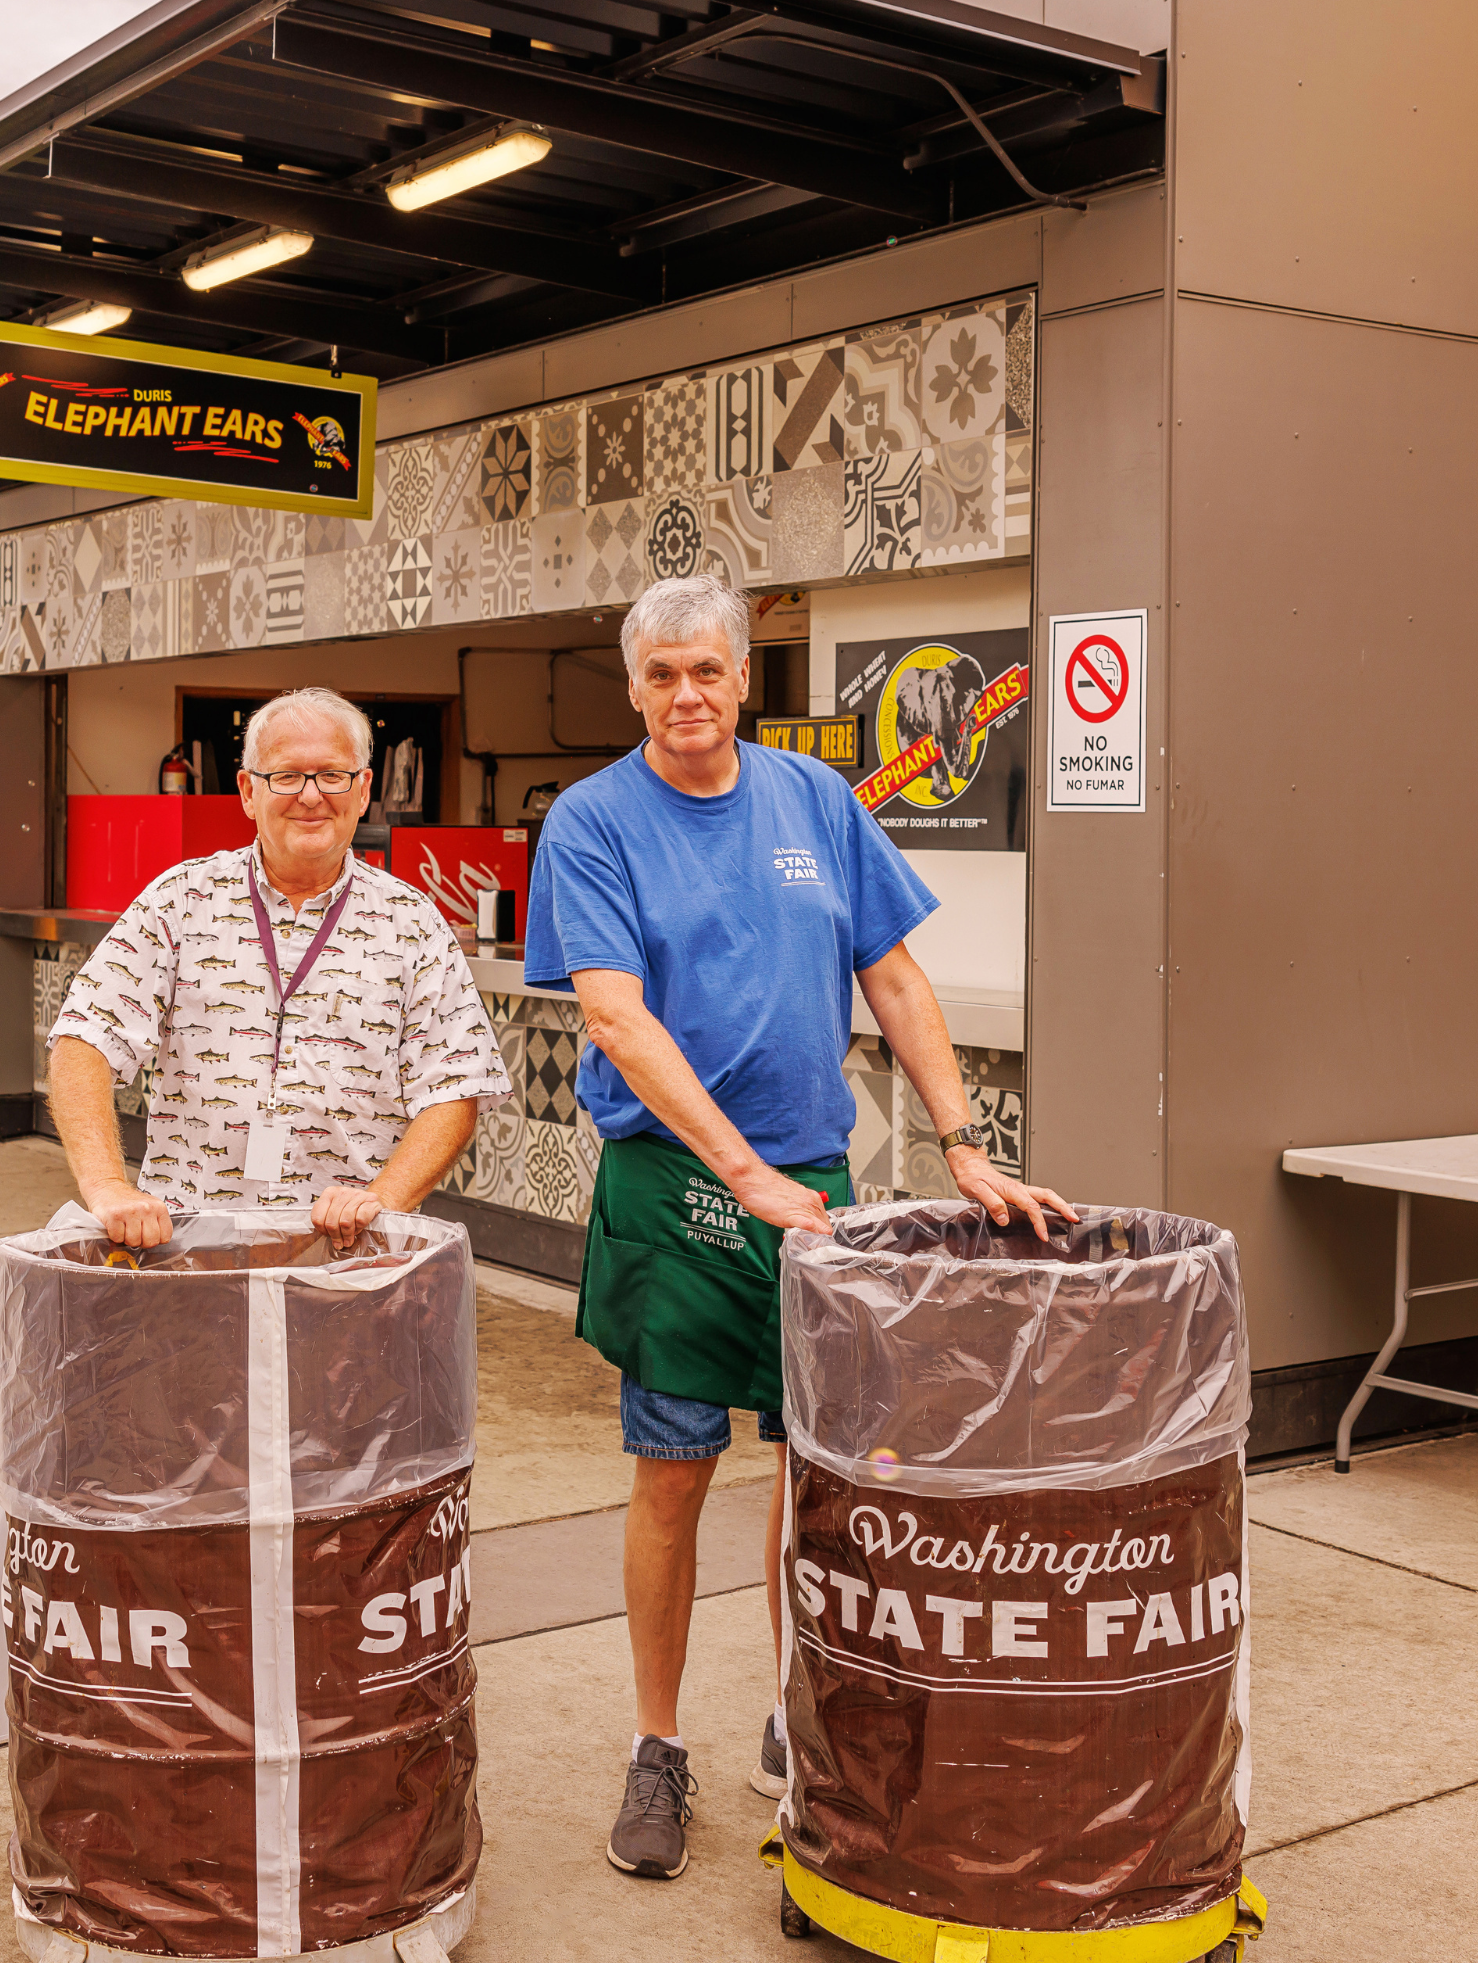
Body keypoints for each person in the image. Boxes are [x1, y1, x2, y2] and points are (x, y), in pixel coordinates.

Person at [521, 574, 1079, 1880]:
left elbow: (890, 971)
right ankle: (658, 1743)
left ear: (742, 675)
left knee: (814, 1474)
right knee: (671, 1471)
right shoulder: (594, 822)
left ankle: (799, 1702)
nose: (686, 695)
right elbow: (615, 1016)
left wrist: (964, 1141)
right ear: (635, 687)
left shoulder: (816, 801)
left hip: (810, 1176)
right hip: (673, 1188)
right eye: (660, 674)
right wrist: (739, 1167)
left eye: (706, 669)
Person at [46, 686, 507, 1246]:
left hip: (348, 1255)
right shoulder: (179, 901)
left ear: (363, 790)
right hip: (191, 1247)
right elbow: (83, 1041)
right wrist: (105, 1186)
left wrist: (384, 1198)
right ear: (247, 791)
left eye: (332, 775)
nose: (311, 797)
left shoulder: (414, 924)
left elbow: (454, 1088)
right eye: (286, 776)